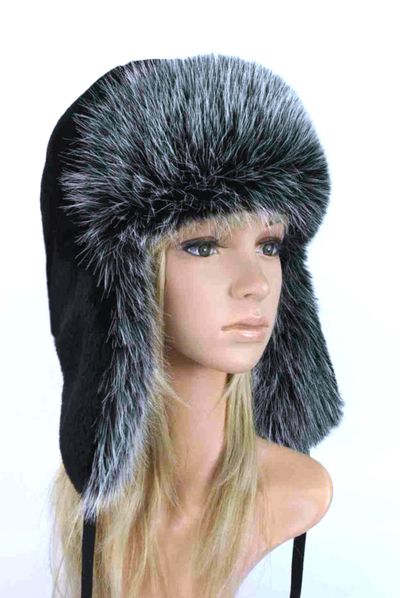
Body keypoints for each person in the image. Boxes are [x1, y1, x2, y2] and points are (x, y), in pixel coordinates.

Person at [40, 53, 344, 598]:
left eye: (269, 245)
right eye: (203, 246)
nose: (255, 284)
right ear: (122, 285)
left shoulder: (296, 491)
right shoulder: (102, 513)